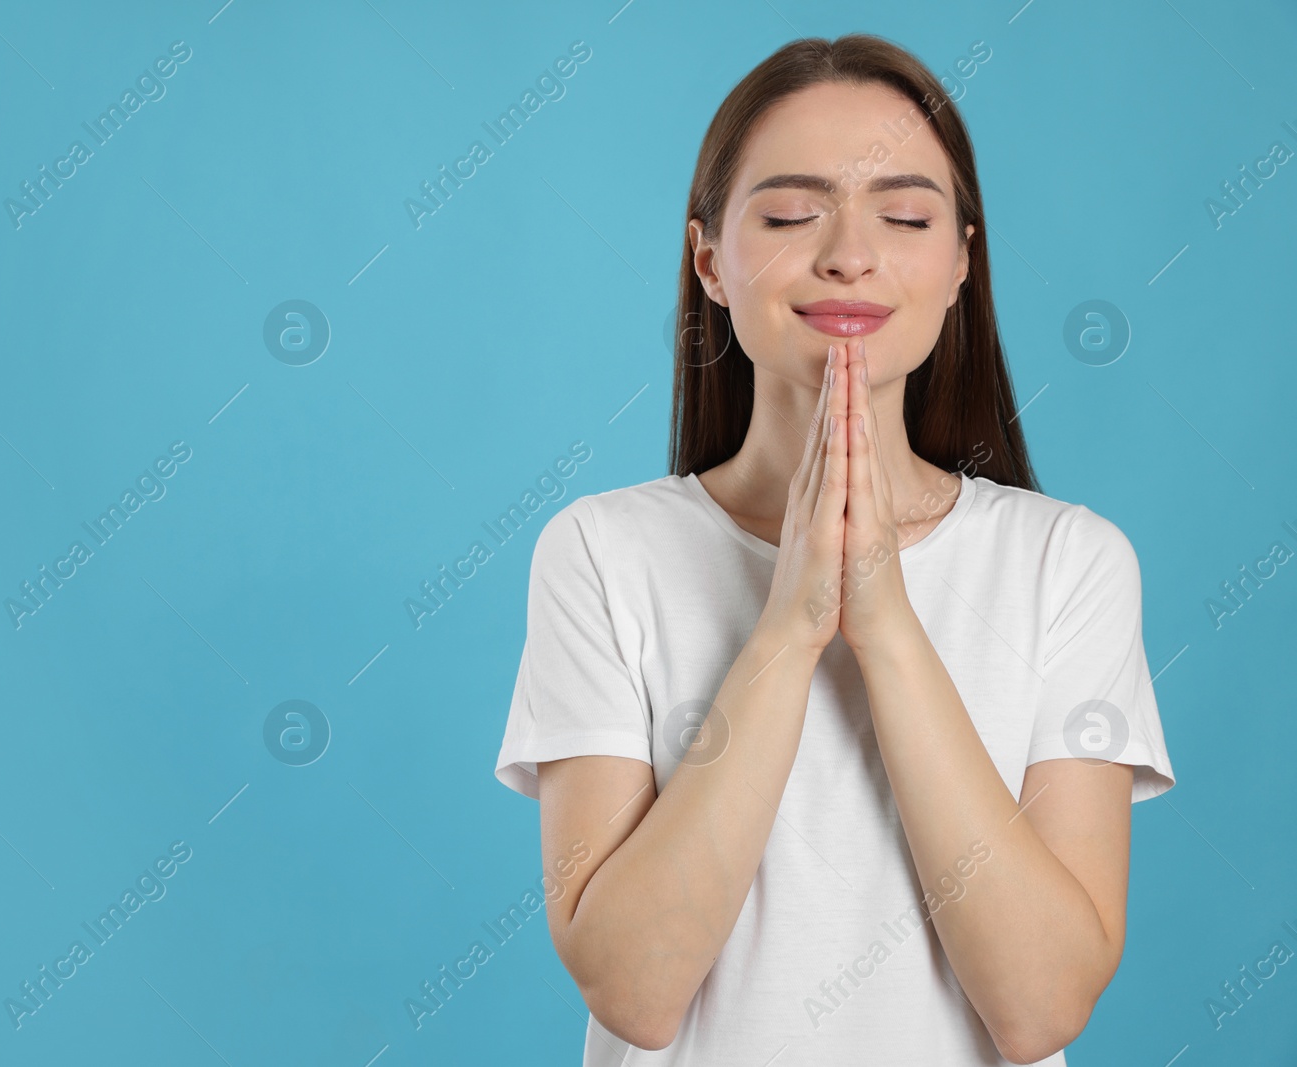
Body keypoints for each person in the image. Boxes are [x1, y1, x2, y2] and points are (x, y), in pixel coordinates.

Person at [492, 33, 1175, 1066]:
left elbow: (1039, 1007)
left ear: (959, 264)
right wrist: (792, 623)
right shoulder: (601, 551)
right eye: (788, 214)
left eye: (903, 216)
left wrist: (886, 624)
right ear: (710, 261)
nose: (848, 252)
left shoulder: (1068, 564)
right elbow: (633, 984)